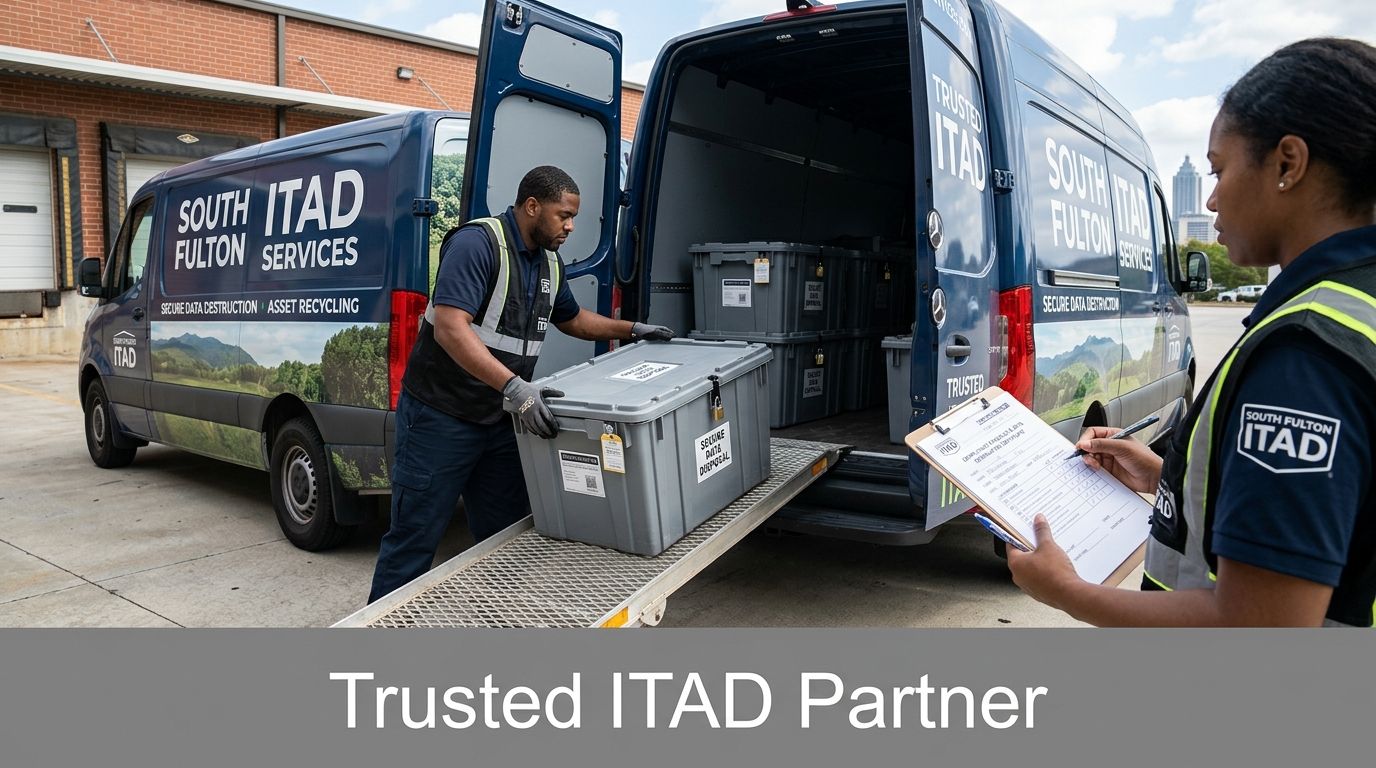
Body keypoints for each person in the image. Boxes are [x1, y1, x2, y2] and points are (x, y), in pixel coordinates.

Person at [1007, 38, 1376, 627]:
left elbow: (1259, 629)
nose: (1211, 197)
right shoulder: (1357, 308)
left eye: (1220, 169)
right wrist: (1167, 477)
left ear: (1287, 164)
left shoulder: (1306, 356)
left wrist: (1068, 591)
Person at [369, 165, 674, 602]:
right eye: (563, 215)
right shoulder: (477, 245)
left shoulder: (548, 262)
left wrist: (631, 329)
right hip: (440, 420)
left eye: (573, 218)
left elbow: (573, 319)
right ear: (532, 207)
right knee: (413, 542)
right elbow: (451, 328)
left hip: (498, 422)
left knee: (505, 541)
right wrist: (515, 387)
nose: (570, 227)